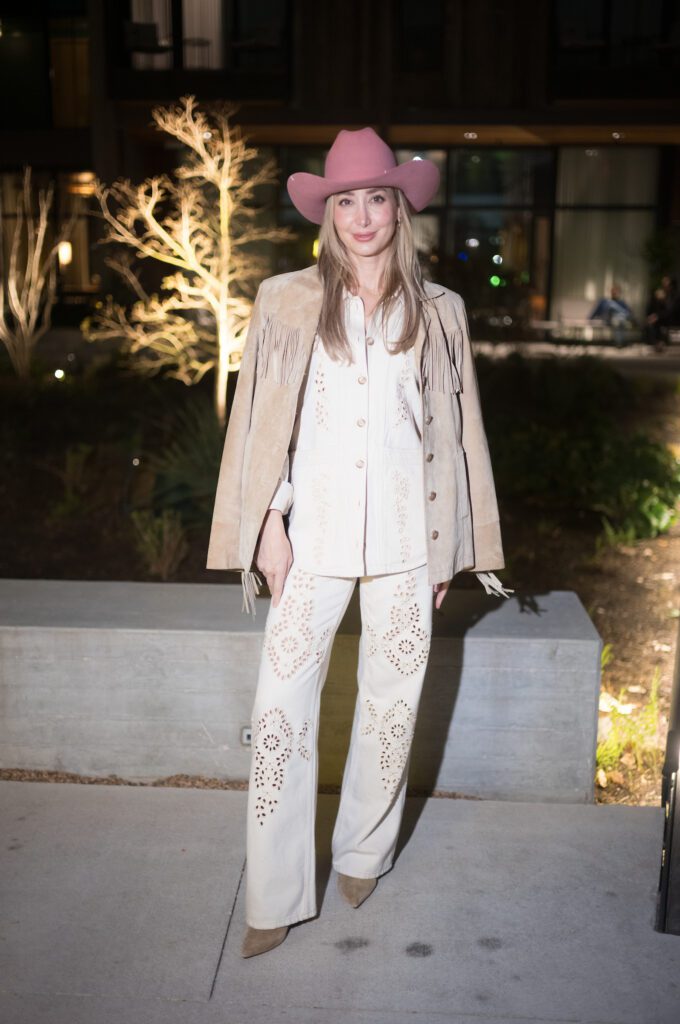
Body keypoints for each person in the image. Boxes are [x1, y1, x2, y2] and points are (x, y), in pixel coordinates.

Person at [206, 127, 511, 959]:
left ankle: (365, 852)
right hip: (312, 541)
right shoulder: (286, 299)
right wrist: (266, 522)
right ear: (328, 213)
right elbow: (261, 426)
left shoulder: (442, 310)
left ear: (399, 206)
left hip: (412, 544)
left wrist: (454, 550)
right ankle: (273, 892)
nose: (364, 215)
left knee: (389, 706)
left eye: (378, 197)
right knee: (279, 714)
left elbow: (458, 438)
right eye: (347, 200)